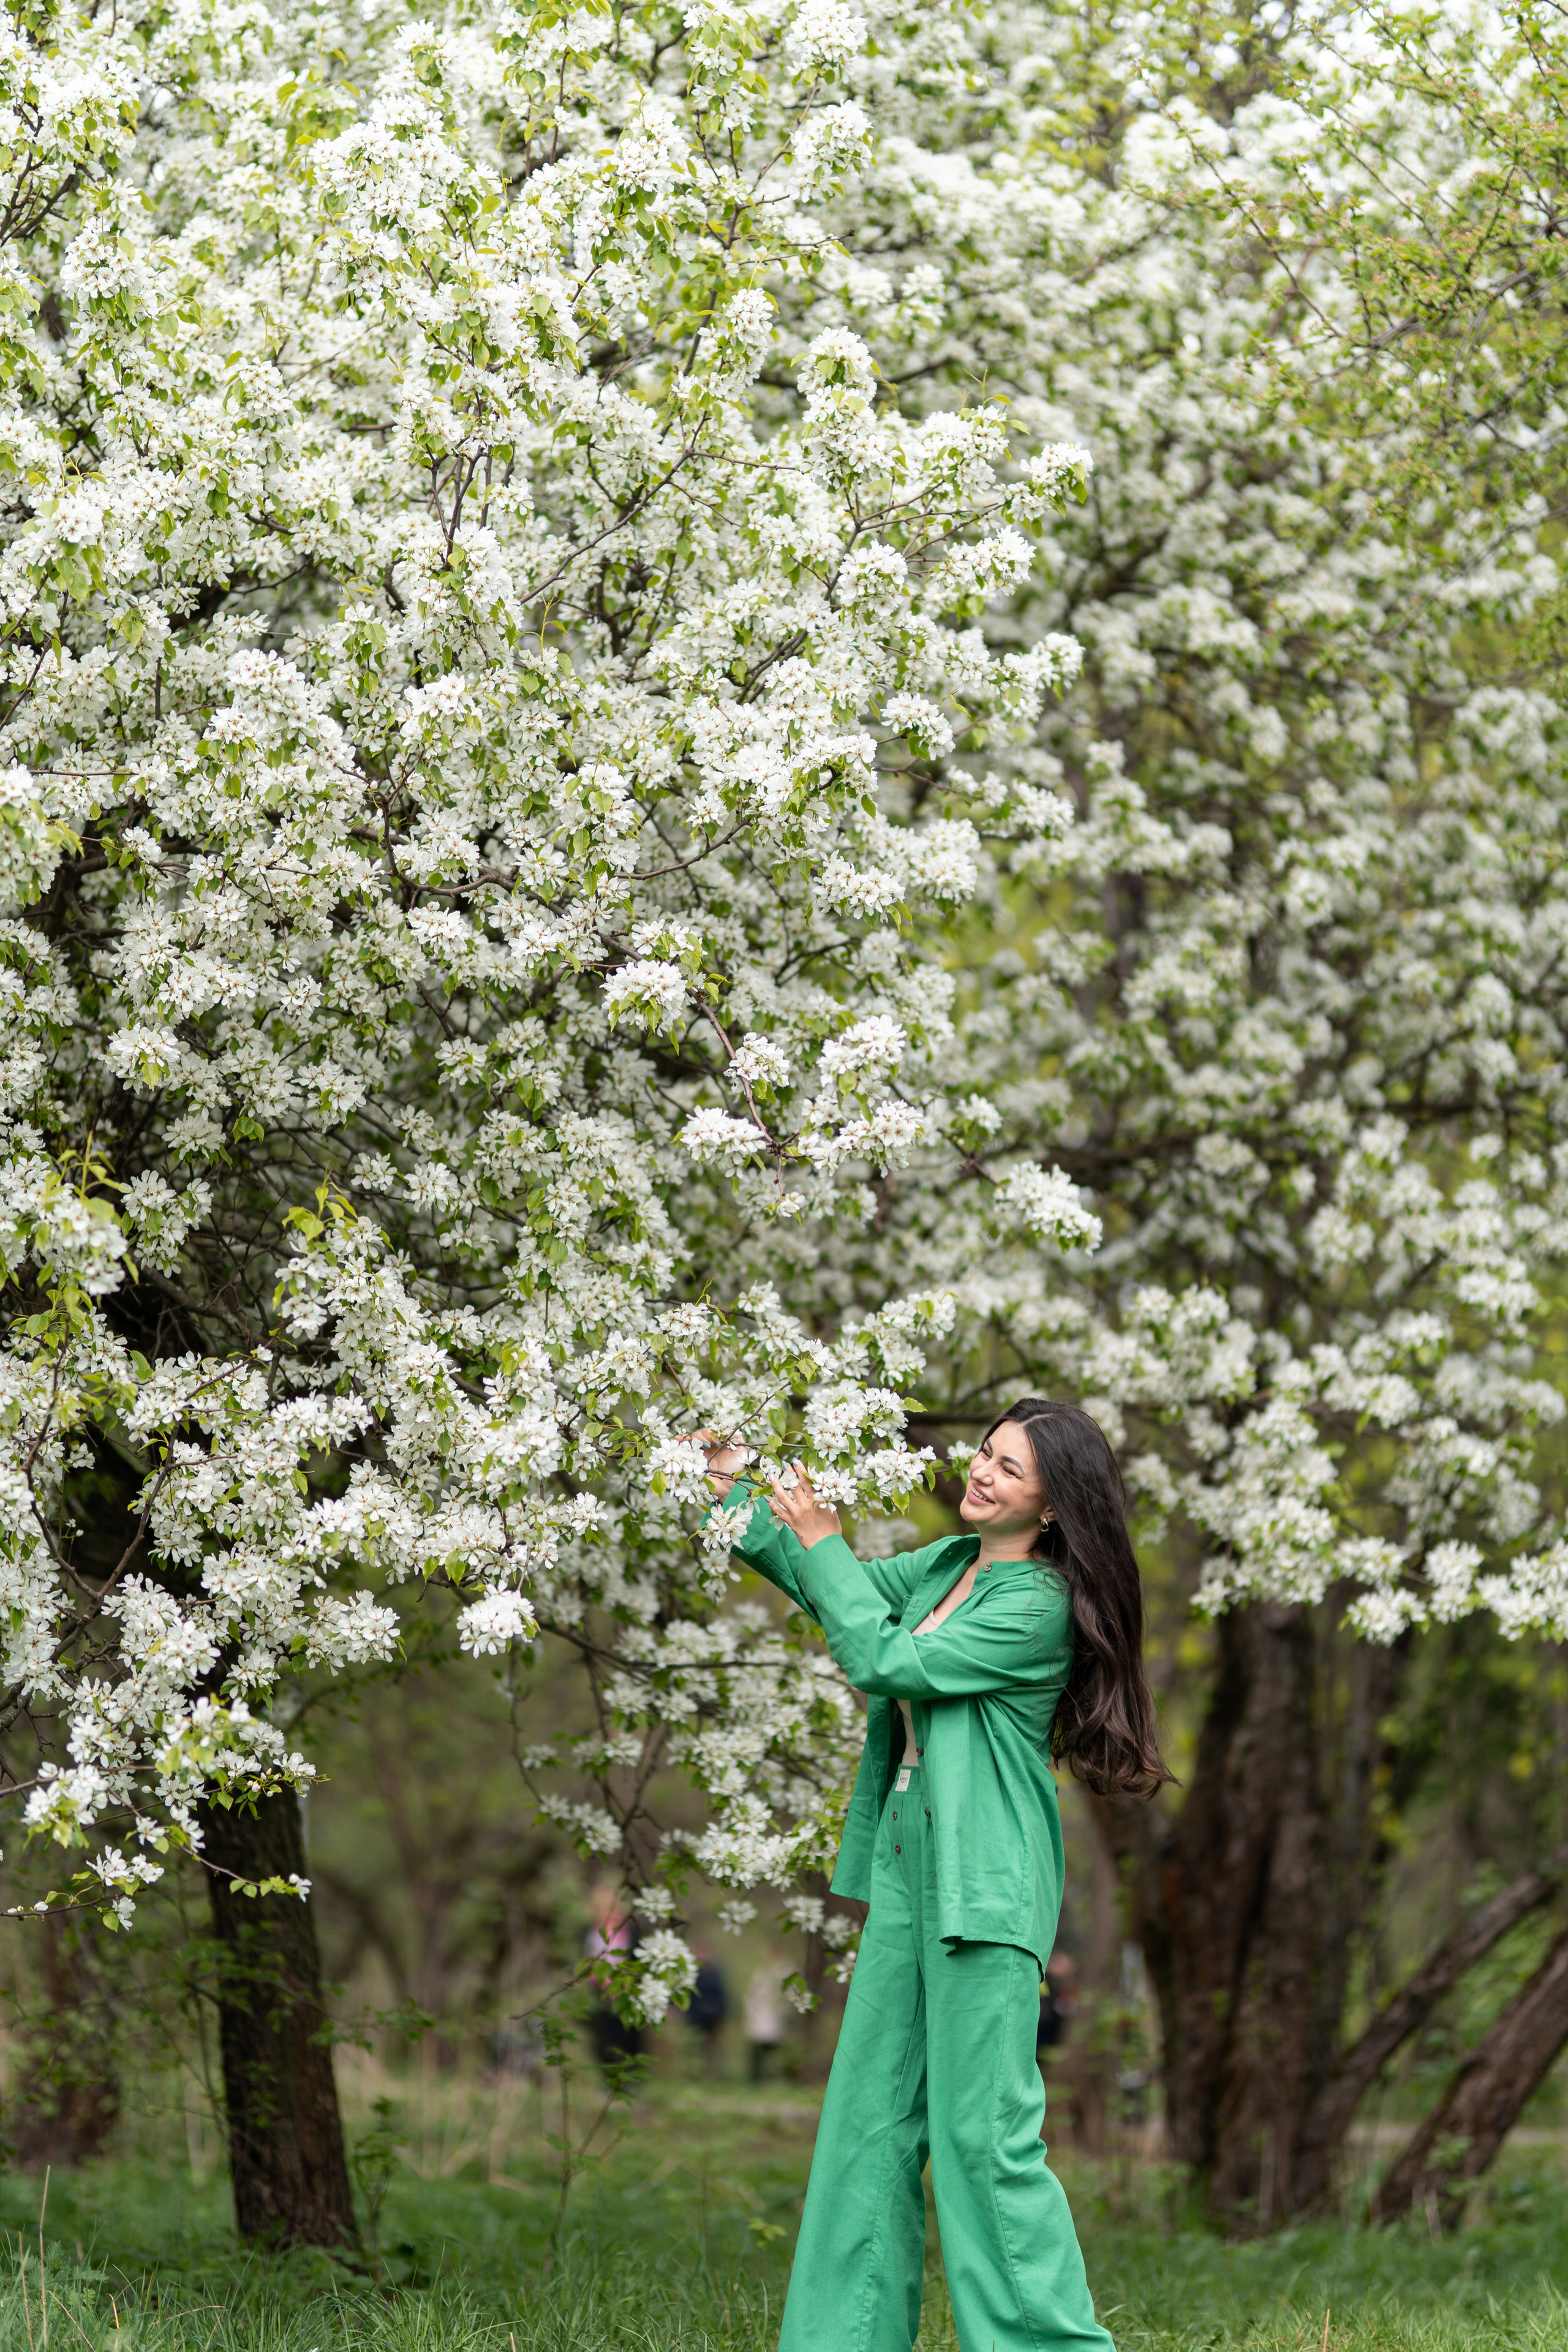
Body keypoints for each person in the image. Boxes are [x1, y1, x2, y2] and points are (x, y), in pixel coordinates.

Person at [696, 1398, 1170, 2352]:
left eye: (1010, 1469)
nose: (983, 1473)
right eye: (986, 1453)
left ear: (1051, 1509)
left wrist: (824, 1536)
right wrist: (740, 1490)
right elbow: (837, 1588)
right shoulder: (951, 1567)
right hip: (911, 1870)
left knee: (982, 2142)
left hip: (985, 1883)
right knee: (867, 2125)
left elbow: (881, 1657)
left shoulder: (1034, 1604)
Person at [584, 1882, 644, 2076]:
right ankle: (607, 2077)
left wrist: (627, 1983)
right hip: (598, 1992)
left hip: (626, 1991)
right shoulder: (591, 1932)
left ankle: (630, 2076)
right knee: (602, 2037)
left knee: (627, 2035)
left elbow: (639, 1960)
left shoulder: (630, 1931)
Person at [744, 1947, 788, 2083]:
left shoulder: (785, 1971)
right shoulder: (761, 1972)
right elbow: (751, 1994)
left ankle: (774, 2077)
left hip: (774, 2016)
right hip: (759, 2016)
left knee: (774, 2049)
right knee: (757, 2049)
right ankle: (756, 2078)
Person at [684, 1945, 729, 2073]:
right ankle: (693, 2073)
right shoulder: (691, 1972)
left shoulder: (716, 1973)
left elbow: (724, 1996)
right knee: (693, 2046)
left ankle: (712, 2073)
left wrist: (722, 2015)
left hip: (713, 2018)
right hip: (694, 2017)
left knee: (712, 2048)